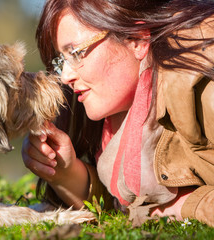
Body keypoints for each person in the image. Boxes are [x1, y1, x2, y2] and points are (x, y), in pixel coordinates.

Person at [21, 0, 214, 227]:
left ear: (137, 40)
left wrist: (185, 206)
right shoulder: (122, 114)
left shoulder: (201, 84)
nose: (65, 76)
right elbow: (126, 202)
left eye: (76, 53)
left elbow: (155, 207)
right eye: (61, 59)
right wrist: (66, 173)